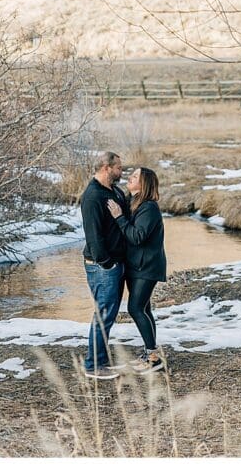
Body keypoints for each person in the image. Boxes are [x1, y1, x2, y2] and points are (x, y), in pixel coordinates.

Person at [107, 167, 166, 374]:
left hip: (146, 267)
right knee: (144, 309)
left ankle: (153, 358)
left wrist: (119, 217)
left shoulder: (149, 207)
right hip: (136, 265)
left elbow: (137, 236)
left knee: (136, 308)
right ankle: (150, 354)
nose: (129, 177)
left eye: (135, 176)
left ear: (144, 184)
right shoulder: (134, 202)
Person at [80, 151, 129, 380]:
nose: (121, 171)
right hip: (102, 267)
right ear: (106, 168)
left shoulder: (115, 191)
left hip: (116, 264)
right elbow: (93, 236)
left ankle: (101, 359)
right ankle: (93, 366)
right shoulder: (92, 196)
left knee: (108, 315)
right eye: (118, 167)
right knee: (103, 315)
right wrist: (107, 263)